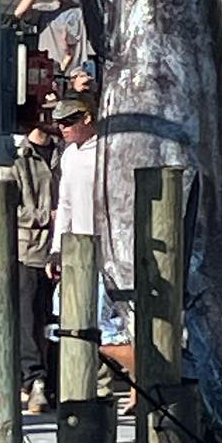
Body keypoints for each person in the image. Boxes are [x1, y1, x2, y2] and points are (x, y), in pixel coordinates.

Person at [48, 95, 134, 401]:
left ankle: (141, 377)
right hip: (77, 250)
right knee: (68, 317)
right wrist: (57, 248)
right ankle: (95, 387)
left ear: (88, 118)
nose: (62, 127)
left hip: (107, 251)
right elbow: (65, 205)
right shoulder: (68, 155)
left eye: (69, 121)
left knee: (100, 324)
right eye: (59, 122)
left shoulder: (108, 152)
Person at [12, 98, 58, 413]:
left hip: (64, 249)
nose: (55, 120)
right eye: (48, 112)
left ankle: (54, 380)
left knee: (56, 318)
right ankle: (33, 379)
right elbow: (7, 205)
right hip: (29, 248)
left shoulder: (66, 153)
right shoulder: (15, 157)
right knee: (28, 318)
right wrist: (46, 216)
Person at [13, 0, 91, 81]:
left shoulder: (82, 12)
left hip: (75, 75)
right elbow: (19, 13)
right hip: (49, 74)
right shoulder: (44, 10)